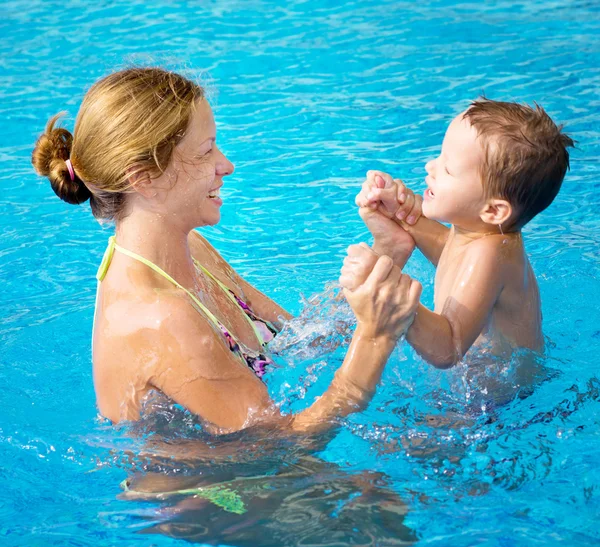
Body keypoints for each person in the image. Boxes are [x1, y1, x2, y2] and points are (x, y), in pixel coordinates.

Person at [31, 67, 422, 435]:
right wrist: (374, 339)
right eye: (206, 152)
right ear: (144, 179)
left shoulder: (188, 249)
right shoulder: (161, 318)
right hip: (206, 499)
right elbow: (282, 443)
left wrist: (386, 254)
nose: (227, 165)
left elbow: (301, 340)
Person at [342, 98, 574, 368]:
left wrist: (395, 300)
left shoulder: (491, 252)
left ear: (493, 211)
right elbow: (449, 251)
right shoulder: (478, 231)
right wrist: (402, 215)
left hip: (502, 404)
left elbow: (448, 347)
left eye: (448, 169)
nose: (431, 166)